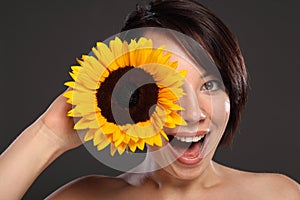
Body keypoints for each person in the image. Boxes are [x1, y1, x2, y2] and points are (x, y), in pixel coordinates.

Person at [0, 0, 299, 199]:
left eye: (209, 84)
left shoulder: (278, 194)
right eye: (166, 87)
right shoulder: (84, 197)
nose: (192, 114)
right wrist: (48, 133)